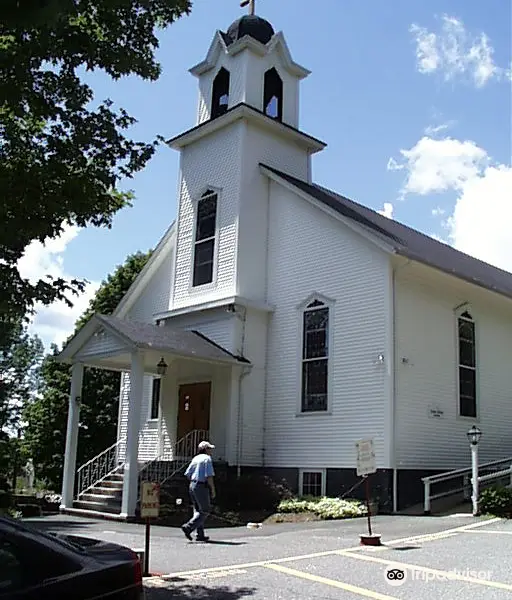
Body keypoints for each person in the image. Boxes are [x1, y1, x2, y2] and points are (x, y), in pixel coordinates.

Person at [181, 440, 216, 542]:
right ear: (205, 449)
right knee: (205, 510)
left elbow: (187, 473)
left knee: (197, 510)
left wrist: (193, 482)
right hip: (201, 485)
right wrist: (213, 490)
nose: (211, 451)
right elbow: (209, 476)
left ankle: (200, 534)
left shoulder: (195, 458)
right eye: (209, 448)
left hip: (192, 484)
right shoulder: (207, 459)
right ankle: (188, 527)